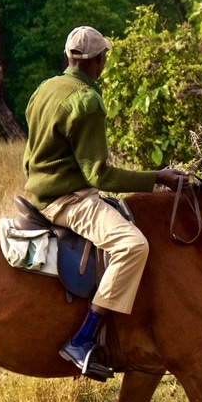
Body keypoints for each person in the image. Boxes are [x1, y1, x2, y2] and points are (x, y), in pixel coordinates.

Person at [23, 26, 186, 381]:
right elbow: (98, 174)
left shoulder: (44, 89)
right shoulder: (87, 101)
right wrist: (157, 177)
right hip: (69, 201)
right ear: (98, 61)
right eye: (104, 58)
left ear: (68, 57)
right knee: (133, 245)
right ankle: (83, 339)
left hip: (39, 192)